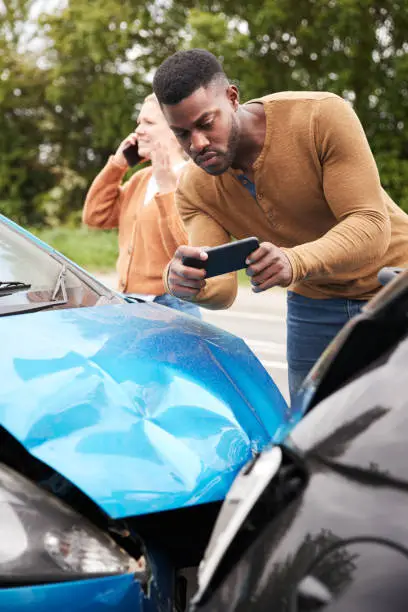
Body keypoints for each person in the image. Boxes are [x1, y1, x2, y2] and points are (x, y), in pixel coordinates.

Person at [152, 48, 408, 402]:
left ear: (232, 97)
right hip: (314, 304)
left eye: (206, 124)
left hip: (396, 286)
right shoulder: (195, 190)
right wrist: (184, 281)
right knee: (308, 431)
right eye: (182, 134)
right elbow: (222, 290)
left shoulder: (320, 116)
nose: (197, 144)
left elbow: (370, 225)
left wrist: (293, 261)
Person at [82, 93, 201, 318]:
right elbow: (95, 216)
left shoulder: (195, 179)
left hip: (171, 306)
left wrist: (167, 188)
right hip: (130, 303)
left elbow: (189, 249)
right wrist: (117, 165)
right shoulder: (141, 179)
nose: (138, 131)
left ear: (175, 129)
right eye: (139, 123)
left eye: (149, 122)